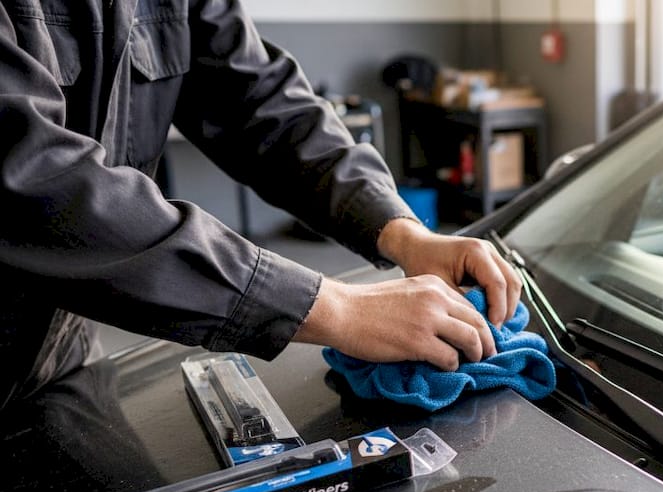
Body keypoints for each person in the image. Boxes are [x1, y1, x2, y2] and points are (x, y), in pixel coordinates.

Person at [0, 0, 522, 412]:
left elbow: (261, 102)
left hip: (64, 356)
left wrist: (404, 233)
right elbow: (33, 177)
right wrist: (335, 308)